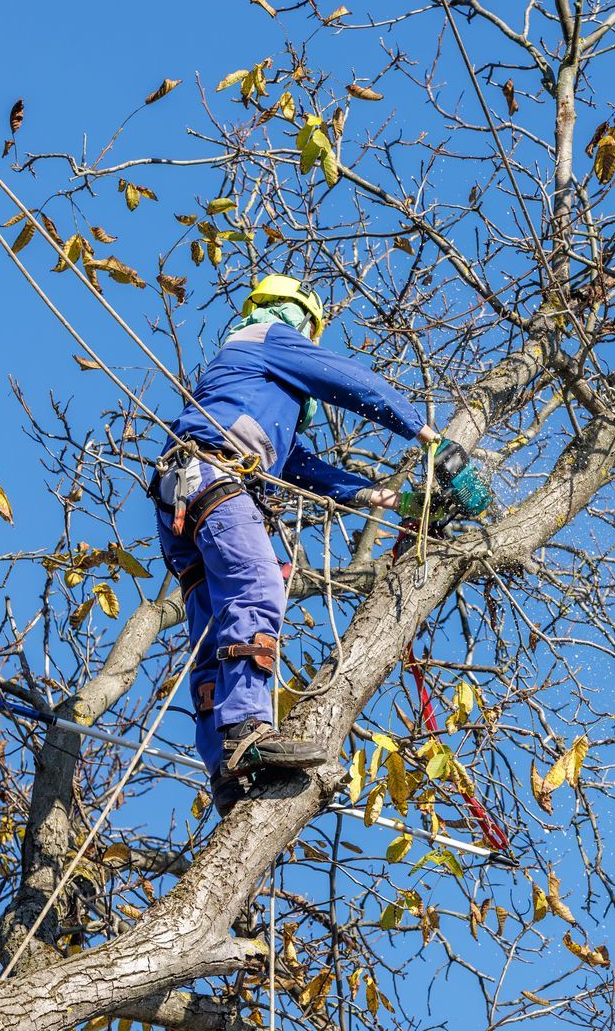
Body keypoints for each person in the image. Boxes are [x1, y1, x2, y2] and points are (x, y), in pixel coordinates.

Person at [152, 274, 469, 813]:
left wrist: (389, 499)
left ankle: (224, 769)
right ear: (295, 317)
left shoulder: (250, 386)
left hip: (182, 498)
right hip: (214, 478)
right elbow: (346, 378)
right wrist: (423, 431)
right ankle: (248, 729)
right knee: (258, 591)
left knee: (212, 631)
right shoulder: (269, 337)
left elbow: (301, 468)